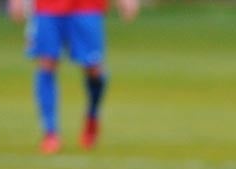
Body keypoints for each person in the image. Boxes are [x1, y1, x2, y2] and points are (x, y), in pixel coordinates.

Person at [8, 0, 139, 154]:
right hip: (47, 7)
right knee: (46, 63)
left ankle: (92, 115)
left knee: (94, 69)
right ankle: (50, 132)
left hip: (87, 6)